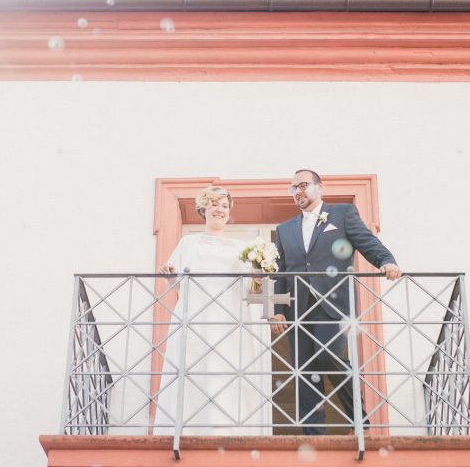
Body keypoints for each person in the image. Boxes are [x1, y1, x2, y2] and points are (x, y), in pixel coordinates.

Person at [269, 169, 401, 435]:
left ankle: (357, 419)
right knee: (304, 373)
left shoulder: (342, 214)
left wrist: (386, 261)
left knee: (329, 355)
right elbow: (281, 273)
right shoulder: (284, 230)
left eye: (304, 185)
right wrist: (279, 311)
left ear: (320, 188)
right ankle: (314, 435)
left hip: (333, 304)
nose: (298, 191)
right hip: (298, 308)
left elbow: (365, 241)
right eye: (293, 188)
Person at [154, 186, 272, 436]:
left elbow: (248, 288)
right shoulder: (189, 242)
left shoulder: (240, 248)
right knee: (195, 367)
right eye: (214, 204)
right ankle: (189, 429)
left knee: (227, 369)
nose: (220, 210)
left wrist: (259, 274)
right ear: (203, 209)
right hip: (197, 314)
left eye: (225, 206)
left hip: (228, 316)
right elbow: (175, 280)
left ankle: (227, 429)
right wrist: (169, 273)